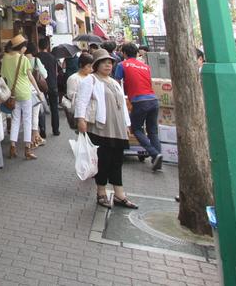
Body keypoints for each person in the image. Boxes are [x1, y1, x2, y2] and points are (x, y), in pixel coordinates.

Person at [75, 49, 138, 209]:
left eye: (110, 62)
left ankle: (119, 194)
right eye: (104, 62)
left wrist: (126, 123)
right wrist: (80, 119)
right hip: (100, 127)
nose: (108, 65)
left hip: (117, 127)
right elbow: (81, 101)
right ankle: (101, 192)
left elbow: (122, 104)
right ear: (96, 65)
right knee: (103, 160)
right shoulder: (90, 80)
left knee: (117, 160)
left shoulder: (115, 82)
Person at [114, 42, 163, 171]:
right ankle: (157, 159)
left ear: (124, 53)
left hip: (139, 101)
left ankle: (154, 153)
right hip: (153, 99)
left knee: (136, 129)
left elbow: (116, 84)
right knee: (152, 131)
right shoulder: (146, 66)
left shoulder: (122, 65)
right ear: (136, 53)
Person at [0, 35, 36, 160]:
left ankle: (13, 147)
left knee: (15, 120)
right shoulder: (23, 59)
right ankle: (27, 149)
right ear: (21, 47)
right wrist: (38, 90)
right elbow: (30, 77)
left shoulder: (5, 59)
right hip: (25, 93)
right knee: (27, 120)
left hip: (12, 94)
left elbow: (3, 77)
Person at [62, 52, 94, 131]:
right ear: (81, 65)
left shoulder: (91, 77)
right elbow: (70, 95)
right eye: (88, 66)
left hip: (92, 110)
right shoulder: (73, 78)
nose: (91, 69)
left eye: (92, 66)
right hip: (80, 111)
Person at [37, 37, 61, 137]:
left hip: (40, 86)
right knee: (54, 108)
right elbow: (56, 72)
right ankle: (56, 130)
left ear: (39, 46)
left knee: (40, 108)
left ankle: (42, 130)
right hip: (52, 85)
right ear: (47, 46)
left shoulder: (36, 57)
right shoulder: (53, 57)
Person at [25, 42, 47, 146]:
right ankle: (34, 139)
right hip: (34, 90)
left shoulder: (21, 60)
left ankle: (34, 138)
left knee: (26, 117)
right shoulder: (36, 60)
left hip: (24, 91)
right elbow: (45, 75)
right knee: (35, 116)